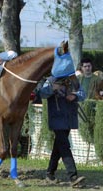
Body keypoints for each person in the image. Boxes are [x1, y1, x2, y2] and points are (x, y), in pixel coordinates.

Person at [39, 45, 86, 188]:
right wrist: (52, 89)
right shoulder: (50, 80)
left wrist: (75, 96)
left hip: (69, 117)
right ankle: (73, 177)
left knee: (58, 147)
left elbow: (82, 94)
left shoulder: (73, 79)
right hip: (57, 117)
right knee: (65, 146)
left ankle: (49, 173)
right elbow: (42, 93)